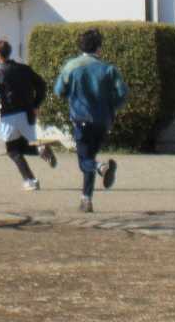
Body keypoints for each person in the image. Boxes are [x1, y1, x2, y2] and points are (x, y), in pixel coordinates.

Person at [53, 28, 127, 212]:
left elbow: (58, 90)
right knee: (89, 156)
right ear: (99, 48)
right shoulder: (109, 69)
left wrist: (71, 95)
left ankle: (101, 168)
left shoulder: (71, 66)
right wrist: (112, 107)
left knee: (84, 160)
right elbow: (123, 93)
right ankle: (86, 200)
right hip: (103, 120)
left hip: (81, 118)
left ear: (81, 47)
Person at [0, 38, 56, 192]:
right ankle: (40, 149)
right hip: (28, 113)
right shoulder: (25, 69)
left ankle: (31, 180)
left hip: (10, 115)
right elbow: (41, 84)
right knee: (22, 146)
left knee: (12, 151)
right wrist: (36, 104)